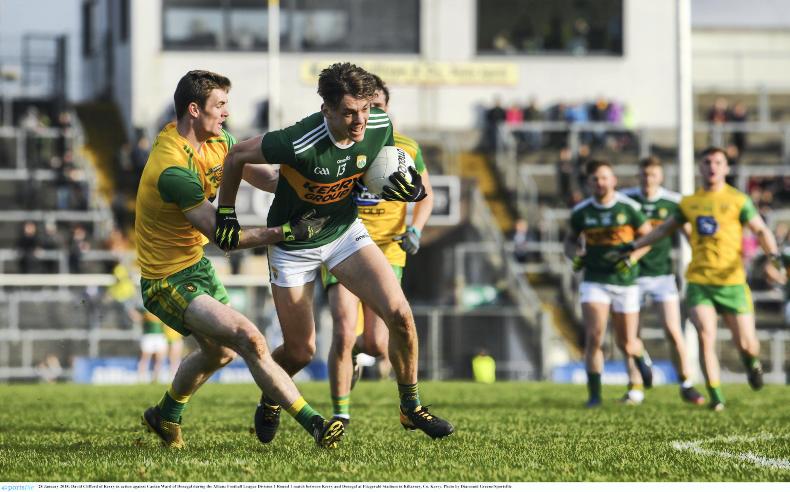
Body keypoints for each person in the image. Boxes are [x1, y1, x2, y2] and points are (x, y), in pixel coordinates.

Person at [217, 62, 454, 442]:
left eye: (365, 109)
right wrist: (227, 213)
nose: (360, 120)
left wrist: (400, 185)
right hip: (294, 245)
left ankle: (411, 407)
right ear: (326, 109)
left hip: (344, 233)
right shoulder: (298, 141)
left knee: (400, 315)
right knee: (300, 351)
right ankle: (271, 396)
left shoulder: (379, 124)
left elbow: (377, 171)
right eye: (349, 112)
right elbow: (236, 157)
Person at [136, 70, 344, 450]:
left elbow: (269, 179)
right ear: (194, 109)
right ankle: (315, 424)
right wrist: (287, 231)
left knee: (221, 353)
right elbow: (224, 237)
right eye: (220, 105)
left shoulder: (219, 141)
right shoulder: (171, 168)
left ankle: (165, 415)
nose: (227, 113)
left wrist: (321, 185)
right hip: (165, 279)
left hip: (196, 266)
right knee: (250, 338)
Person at [619, 147, 780, 411]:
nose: (712, 166)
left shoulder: (738, 200)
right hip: (699, 281)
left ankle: (751, 362)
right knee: (705, 336)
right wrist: (634, 247)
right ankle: (716, 397)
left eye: (718, 162)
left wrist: (773, 254)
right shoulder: (689, 203)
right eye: (707, 162)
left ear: (726, 168)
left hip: (732, 282)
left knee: (747, 344)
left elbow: (760, 230)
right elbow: (663, 230)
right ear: (700, 168)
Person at [318, 74, 435, 425]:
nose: (370, 115)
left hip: (387, 249)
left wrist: (415, 229)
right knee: (342, 327)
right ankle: (340, 415)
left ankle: (357, 352)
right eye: (366, 108)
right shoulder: (343, 145)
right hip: (343, 243)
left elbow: (425, 195)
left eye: (377, 107)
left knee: (376, 344)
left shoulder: (406, 148)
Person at [564, 159, 654, 408]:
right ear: (589, 183)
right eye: (595, 179)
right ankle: (594, 395)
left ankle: (640, 360)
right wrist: (575, 256)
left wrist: (632, 258)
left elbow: (649, 237)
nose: (600, 183)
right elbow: (569, 241)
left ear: (613, 180)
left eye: (604, 178)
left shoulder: (629, 208)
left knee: (627, 342)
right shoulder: (582, 212)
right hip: (595, 280)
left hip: (625, 282)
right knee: (594, 337)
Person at [622, 157, 705, 405]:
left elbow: (689, 234)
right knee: (631, 335)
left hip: (662, 276)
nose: (648, 179)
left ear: (661, 177)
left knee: (673, 331)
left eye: (653, 175)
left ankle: (686, 383)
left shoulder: (673, 201)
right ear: (638, 176)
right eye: (644, 174)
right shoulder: (627, 200)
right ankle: (635, 386)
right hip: (631, 277)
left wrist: (699, 258)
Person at [138, 309, 168, 383]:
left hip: (160, 336)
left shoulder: (163, 309)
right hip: (148, 336)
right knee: (145, 358)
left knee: (159, 359)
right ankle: (141, 378)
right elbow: (139, 317)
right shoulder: (145, 308)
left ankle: (156, 378)